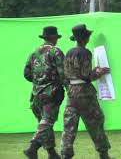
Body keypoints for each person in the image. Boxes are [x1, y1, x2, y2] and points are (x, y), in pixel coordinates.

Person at [60, 24, 112, 159]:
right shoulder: (85, 53)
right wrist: (100, 72)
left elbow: (67, 75)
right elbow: (86, 75)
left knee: (69, 126)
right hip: (85, 93)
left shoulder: (69, 53)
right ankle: (104, 154)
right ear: (85, 39)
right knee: (95, 123)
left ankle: (65, 154)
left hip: (71, 92)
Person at [23, 26, 65, 159]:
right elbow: (63, 73)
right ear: (53, 38)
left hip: (36, 94)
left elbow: (26, 73)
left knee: (44, 123)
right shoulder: (56, 51)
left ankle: (51, 153)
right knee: (47, 121)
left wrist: (39, 82)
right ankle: (32, 147)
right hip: (51, 92)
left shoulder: (34, 52)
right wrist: (68, 89)